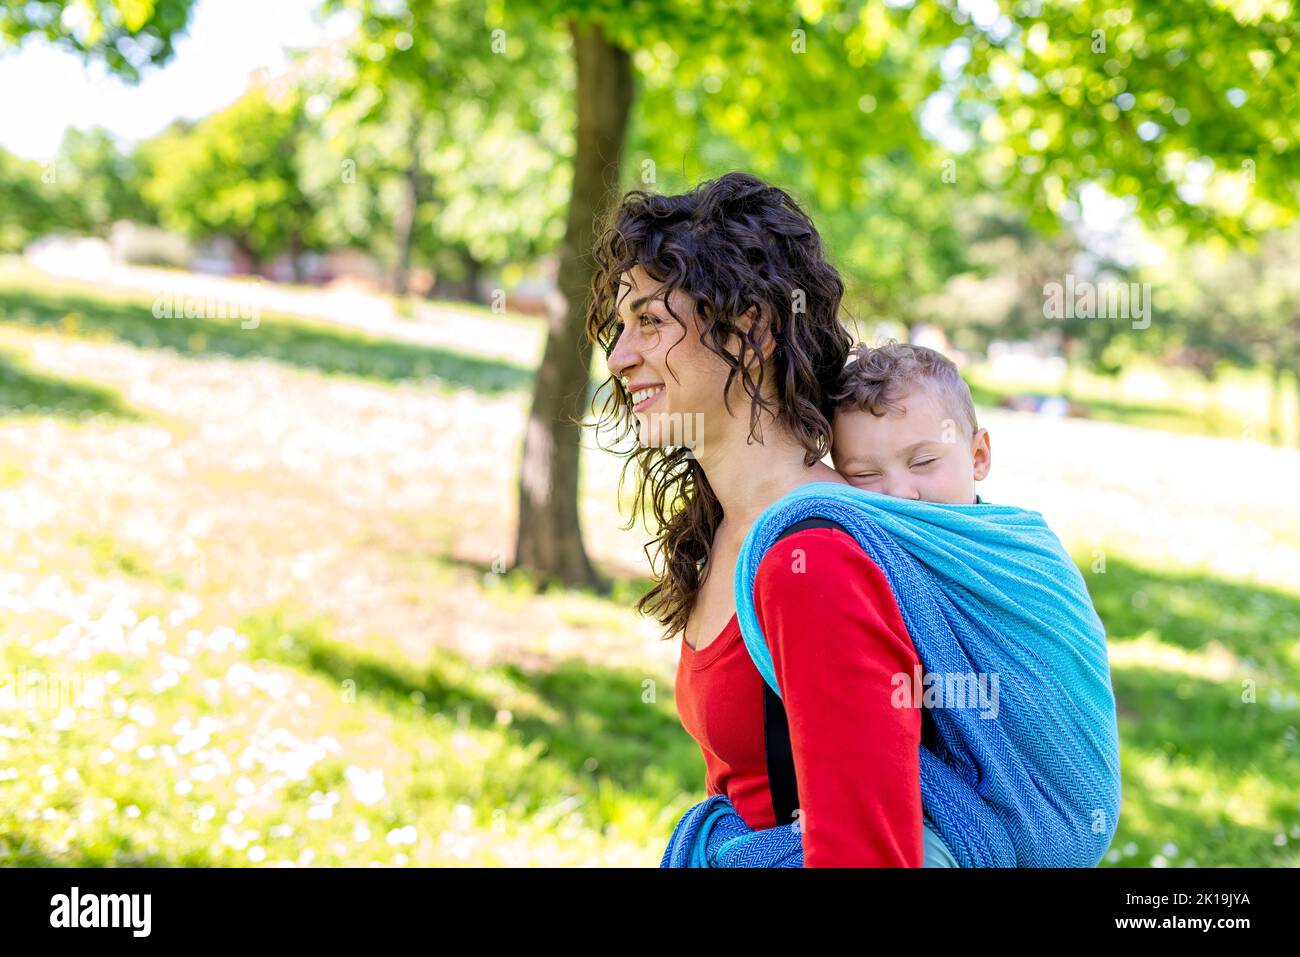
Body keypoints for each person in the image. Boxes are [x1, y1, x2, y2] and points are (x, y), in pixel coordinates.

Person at [585, 171, 945, 866]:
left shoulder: (815, 561)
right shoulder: (728, 528)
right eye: (622, 326)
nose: (619, 356)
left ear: (751, 329)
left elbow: (865, 856)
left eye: (650, 322)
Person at [829, 340, 991, 505]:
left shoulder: (1014, 529)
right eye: (864, 474)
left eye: (923, 462)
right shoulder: (844, 529)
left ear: (978, 457)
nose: (899, 493)